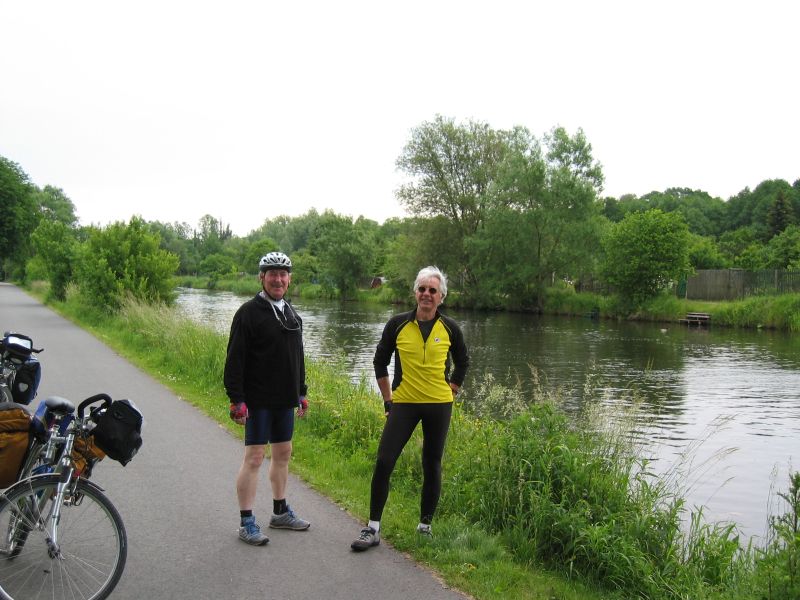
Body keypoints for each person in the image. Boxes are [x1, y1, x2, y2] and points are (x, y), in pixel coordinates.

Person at [351, 266, 469, 551]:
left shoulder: (450, 328)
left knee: (432, 464)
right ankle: (373, 528)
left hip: (439, 405)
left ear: (441, 297)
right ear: (415, 292)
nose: (426, 294)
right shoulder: (397, 324)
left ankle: (425, 526)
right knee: (384, 461)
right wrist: (387, 398)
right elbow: (380, 361)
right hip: (404, 403)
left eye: (433, 290)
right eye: (422, 289)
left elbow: (463, 362)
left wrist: (451, 391)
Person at [224, 251, 311, 546]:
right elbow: (234, 359)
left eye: (283, 273)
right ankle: (246, 521)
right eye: (272, 273)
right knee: (255, 458)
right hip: (257, 399)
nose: (278, 278)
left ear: (289, 279)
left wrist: (301, 391)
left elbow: (298, 357)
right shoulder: (248, 313)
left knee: (283, 454)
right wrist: (237, 399)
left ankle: (280, 512)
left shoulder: (292, 314)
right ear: (262, 277)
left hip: (284, 400)